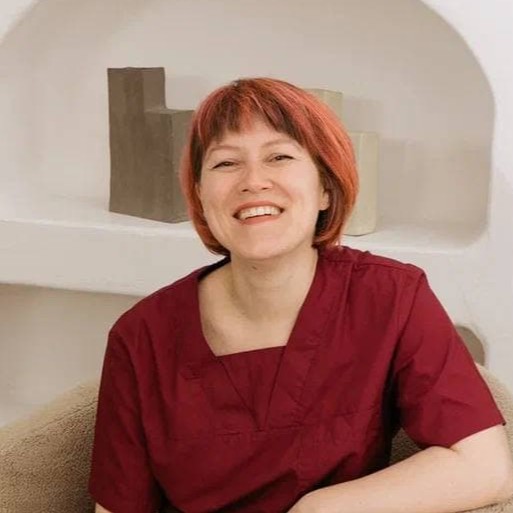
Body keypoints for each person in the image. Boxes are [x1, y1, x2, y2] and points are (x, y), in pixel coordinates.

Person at [88, 77, 513, 513]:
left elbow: (485, 466)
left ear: (325, 187)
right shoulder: (141, 336)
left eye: (279, 157)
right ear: (200, 195)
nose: (253, 181)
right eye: (226, 163)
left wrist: (319, 509)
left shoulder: (391, 298)